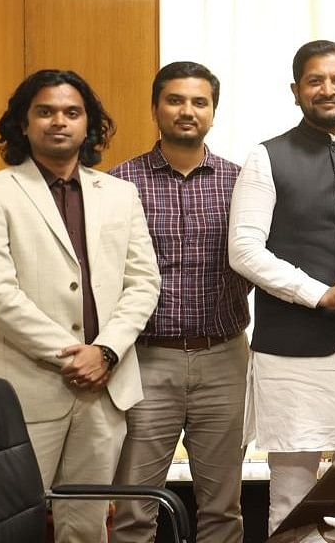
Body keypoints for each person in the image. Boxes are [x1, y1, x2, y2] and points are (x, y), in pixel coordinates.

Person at [0, 69, 159, 542]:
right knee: (10, 521)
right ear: (23, 124)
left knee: (88, 525)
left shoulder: (120, 194)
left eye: (72, 112)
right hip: (29, 389)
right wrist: (75, 354)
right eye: (44, 111)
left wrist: (105, 351)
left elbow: (143, 283)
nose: (58, 122)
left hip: (105, 388)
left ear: (88, 125)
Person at [228, 39, 335, 533]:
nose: (328, 90)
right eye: (315, 81)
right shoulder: (266, 157)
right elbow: (243, 250)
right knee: (292, 495)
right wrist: (318, 291)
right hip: (292, 356)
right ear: (296, 90)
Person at [110, 62, 253, 543]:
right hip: (147, 360)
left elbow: (260, 261)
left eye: (199, 102)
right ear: (155, 108)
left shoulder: (242, 183)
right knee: (134, 507)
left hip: (224, 358)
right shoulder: (118, 184)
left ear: (213, 112)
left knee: (223, 508)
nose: (187, 111)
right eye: (174, 100)